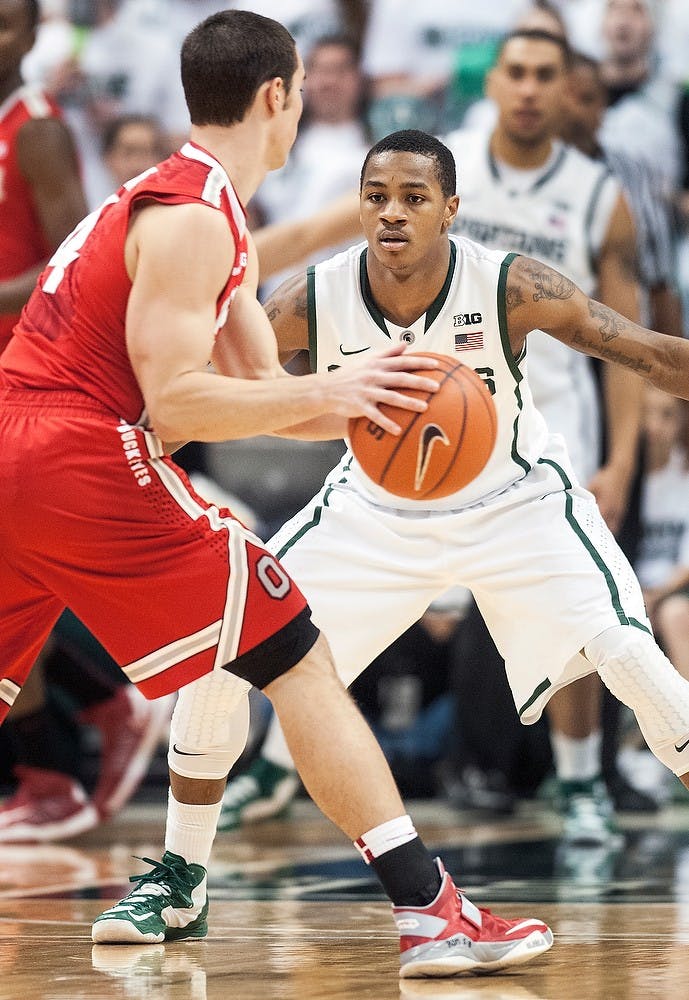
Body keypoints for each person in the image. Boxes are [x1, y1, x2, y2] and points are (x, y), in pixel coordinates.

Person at [0, 11, 553, 978]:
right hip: (71, 447)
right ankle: (432, 913)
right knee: (293, 649)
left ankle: (199, 880)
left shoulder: (200, 211)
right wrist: (329, 390)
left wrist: (375, 406)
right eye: (297, 95)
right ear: (277, 97)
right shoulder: (187, 219)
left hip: (22, 454)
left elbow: (262, 402)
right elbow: (174, 405)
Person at [214, 126, 689, 864]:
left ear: (450, 209)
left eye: (413, 197)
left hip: (513, 502)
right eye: (376, 198)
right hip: (374, 512)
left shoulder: (511, 285)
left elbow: (649, 353)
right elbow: (217, 388)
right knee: (228, 646)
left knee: (630, 655)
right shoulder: (313, 297)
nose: (392, 213)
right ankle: (180, 871)